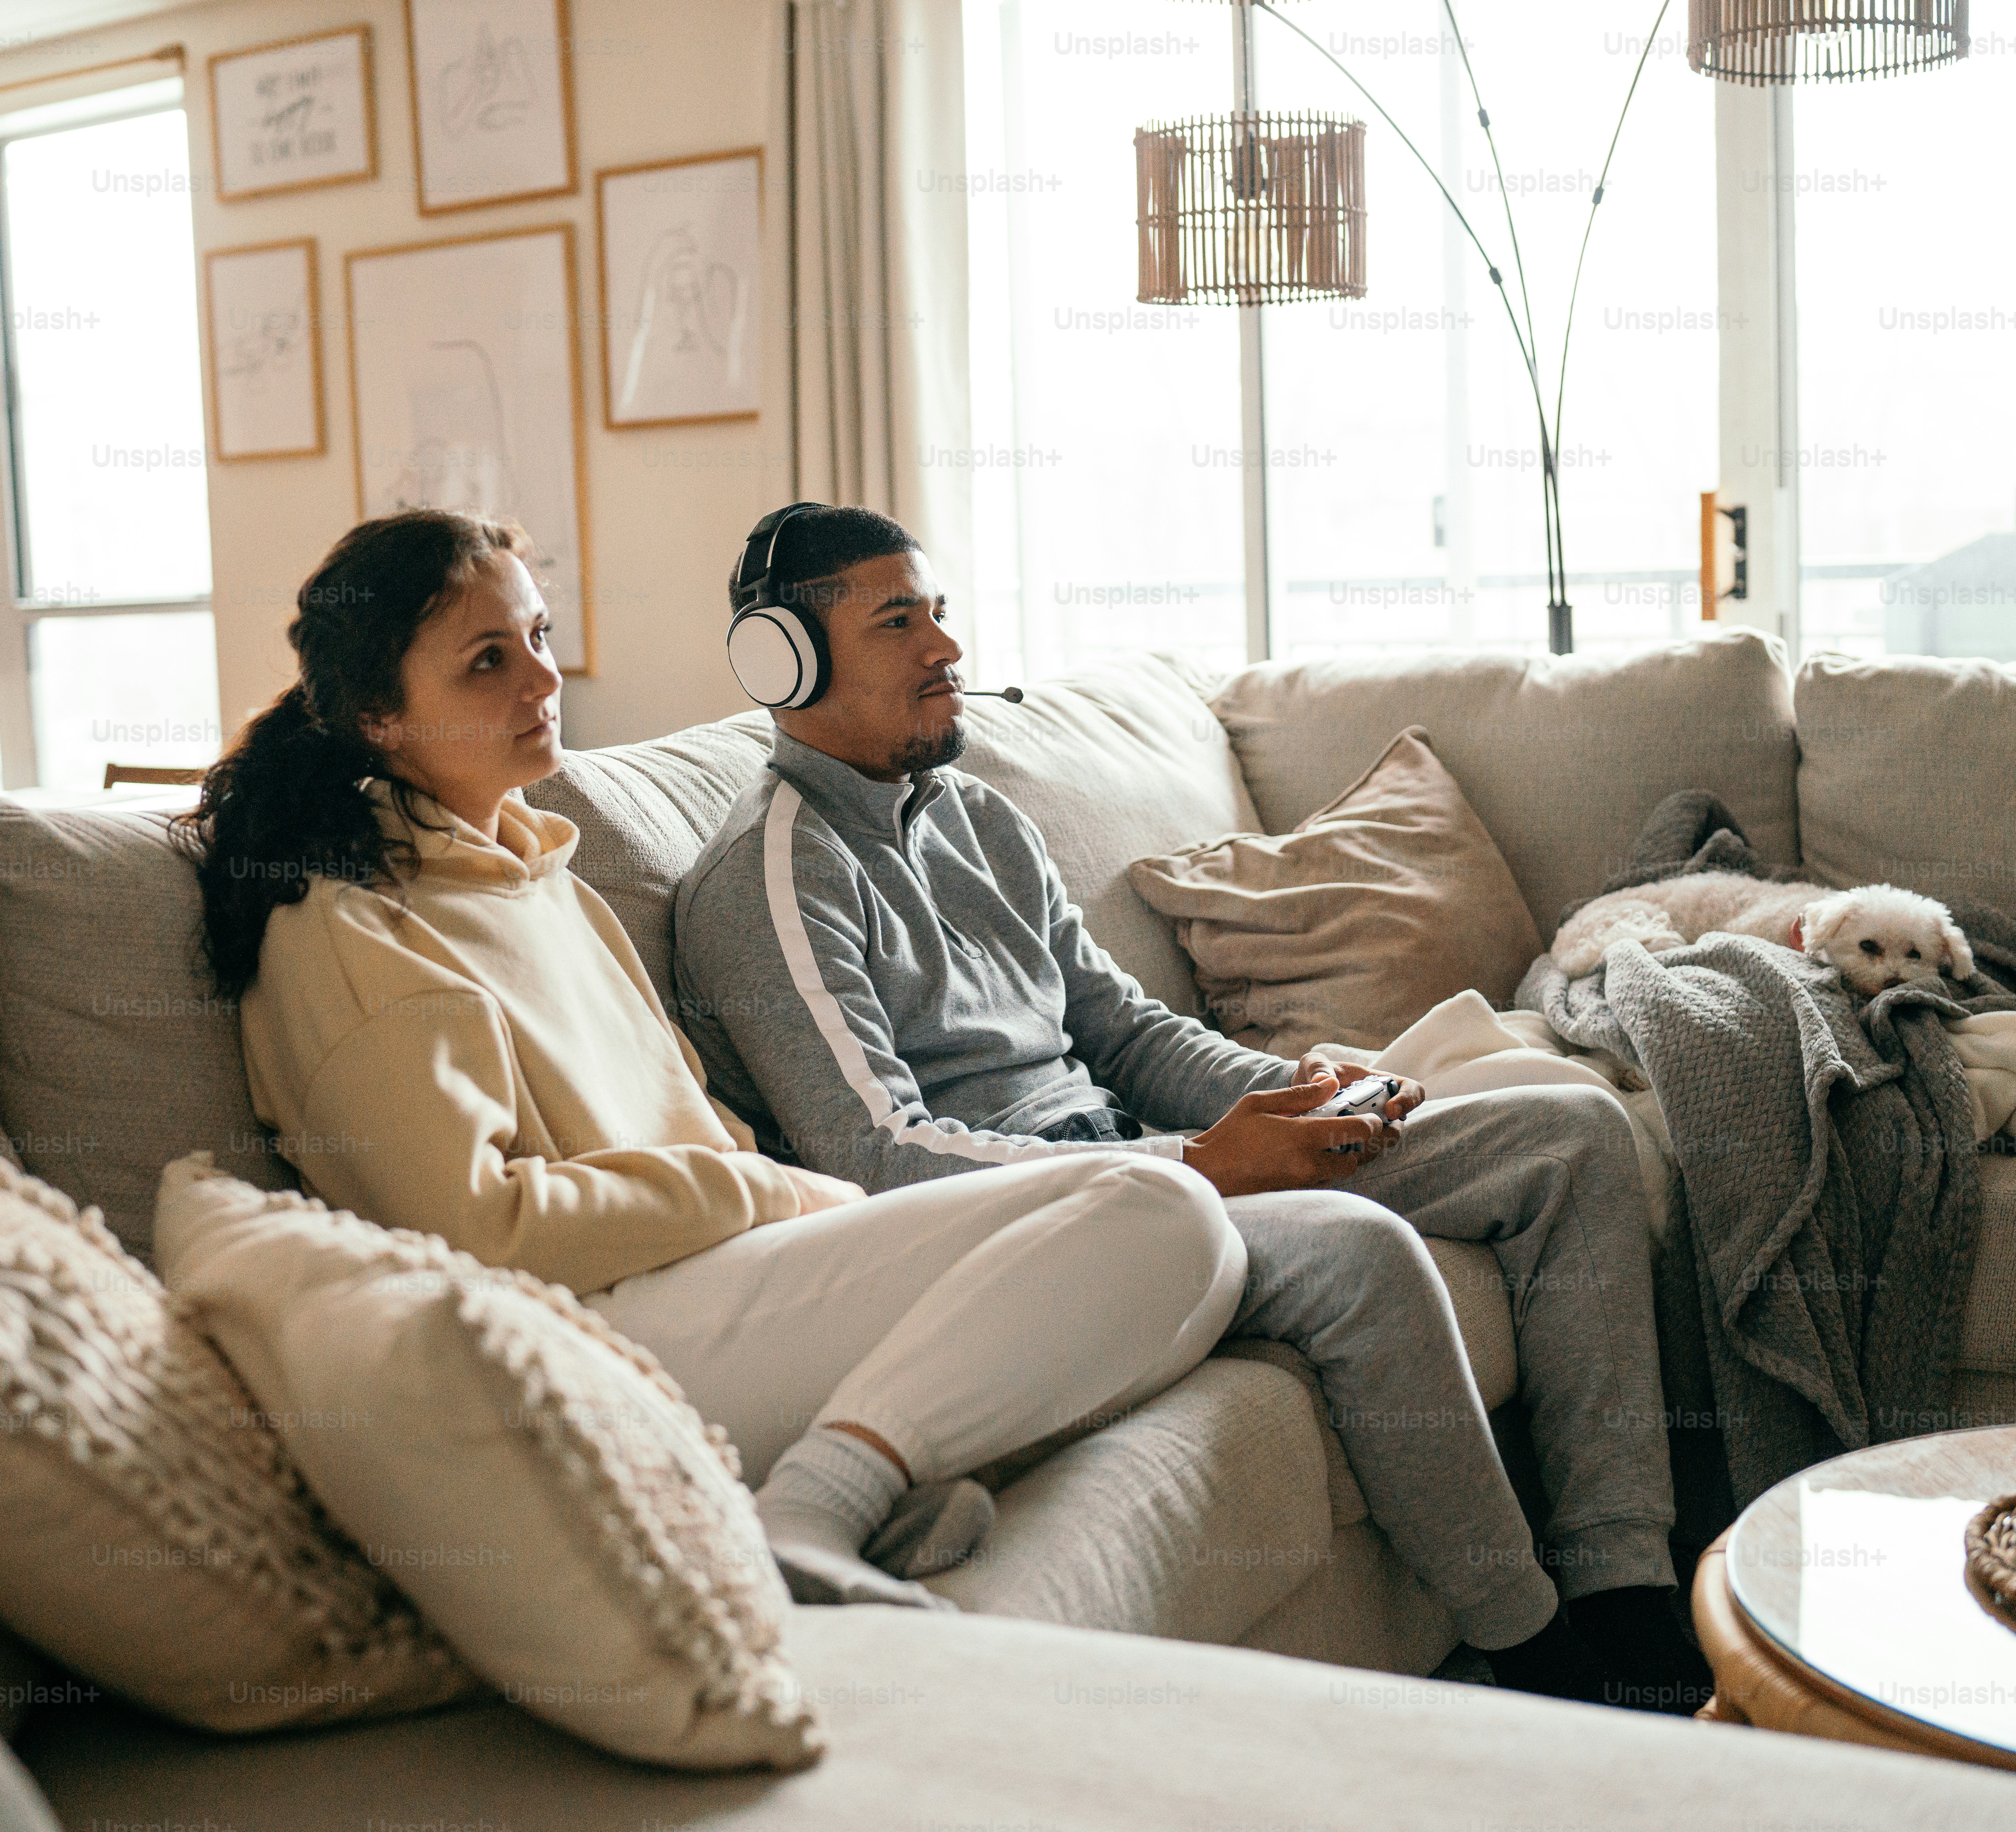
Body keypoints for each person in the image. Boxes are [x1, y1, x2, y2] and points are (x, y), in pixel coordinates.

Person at [675, 503, 1712, 1710]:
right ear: (783, 662)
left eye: (939, 612)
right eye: (898, 622)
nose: (944, 650)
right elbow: (877, 1152)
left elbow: (1121, 1029)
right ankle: (1540, 1656)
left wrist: (1301, 1094)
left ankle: (1623, 1585)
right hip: (1045, 1218)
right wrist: (1209, 1161)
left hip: (1157, 1157)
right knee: (1361, 1252)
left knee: (1571, 1128)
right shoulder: (772, 877)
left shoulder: (977, 820)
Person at [180, 508, 1254, 1612]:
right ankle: (818, 1507)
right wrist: (760, 1188)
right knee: (1157, 1210)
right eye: (488, 662)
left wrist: (789, 1204)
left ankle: (859, 1471)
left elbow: (694, 1123)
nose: (542, 682)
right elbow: (473, 1229)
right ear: (379, 717)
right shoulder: (348, 931)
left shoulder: (546, 880)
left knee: (1199, 1249)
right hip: (597, 1329)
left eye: (541, 637)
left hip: (728, 1267)